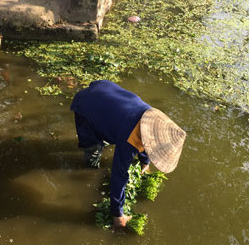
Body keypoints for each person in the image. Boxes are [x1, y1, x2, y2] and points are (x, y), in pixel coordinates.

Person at [70, 80, 186, 230]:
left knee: (110, 131)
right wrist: (118, 214)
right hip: (85, 106)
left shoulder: (149, 117)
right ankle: (90, 154)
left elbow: (148, 140)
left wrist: (145, 163)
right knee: (93, 150)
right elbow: (119, 175)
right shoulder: (129, 140)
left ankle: (101, 133)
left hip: (103, 89)